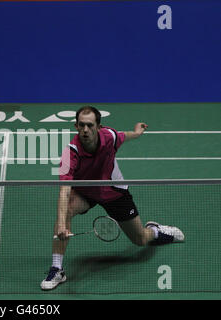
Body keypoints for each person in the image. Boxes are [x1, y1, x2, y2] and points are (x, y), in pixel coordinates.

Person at [41, 106, 184, 290]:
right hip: (86, 191)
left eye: (90, 125)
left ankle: (155, 231)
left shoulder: (110, 136)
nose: (85, 130)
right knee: (67, 209)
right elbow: (64, 190)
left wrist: (137, 132)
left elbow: (124, 135)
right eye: (82, 125)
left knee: (140, 239)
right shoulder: (68, 154)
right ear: (76, 126)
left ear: (99, 127)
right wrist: (61, 224)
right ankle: (57, 268)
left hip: (113, 192)